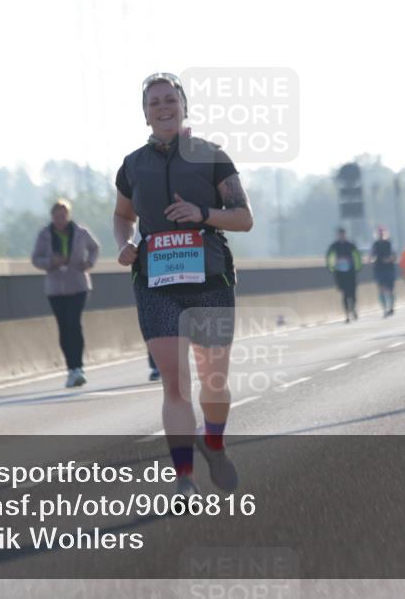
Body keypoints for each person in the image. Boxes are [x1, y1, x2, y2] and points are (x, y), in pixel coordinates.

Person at [114, 72, 254, 499]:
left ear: (184, 106)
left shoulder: (212, 156)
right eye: (154, 102)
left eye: (169, 99)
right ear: (145, 114)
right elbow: (123, 216)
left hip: (209, 278)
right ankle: (185, 480)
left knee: (213, 381)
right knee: (174, 384)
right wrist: (124, 245)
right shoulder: (132, 165)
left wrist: (201, 213)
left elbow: (244, 218)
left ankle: (214, 440)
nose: (162, 107)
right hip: (157, 283)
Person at [31, 199, 100, 388]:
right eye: (56, 216)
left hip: (78, 285)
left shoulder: (80, 232)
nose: (60, 219)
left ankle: (79, 368)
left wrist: (89, 263)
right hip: (55, 288)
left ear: (68, 215)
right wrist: (51, 262)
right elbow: (35, 258)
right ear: (52, 217)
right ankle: (71, 369)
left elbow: (94, 247)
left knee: (74, 323)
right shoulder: (45, 235)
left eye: (63, 215)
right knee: (63, 326)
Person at [326, 228, 362, 322]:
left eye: (343, 234)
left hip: (351, 273)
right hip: (340, 274)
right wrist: (331, 268)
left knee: (353, 294)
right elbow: (329, 257)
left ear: (345, 235)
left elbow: (357, 256)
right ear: (338, 235)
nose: (342, 236)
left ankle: (353, 308)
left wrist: (358, 268)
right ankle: (347, 315)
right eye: (340, 234)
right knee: (345, 294)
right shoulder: (334, 246)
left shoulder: (350, 245)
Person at [371, 226, 397, 317]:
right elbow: (372, 255)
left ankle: (391, 307)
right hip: (379, 269)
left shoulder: (389, 244)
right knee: (381, 289)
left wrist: (389, 259)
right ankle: (385, 309)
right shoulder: (375, 244)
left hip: (389, 269)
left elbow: (394, 256)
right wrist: (372, 259)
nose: (381, 235)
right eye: (379, 233)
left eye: (382, 233)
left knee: (390, 290)